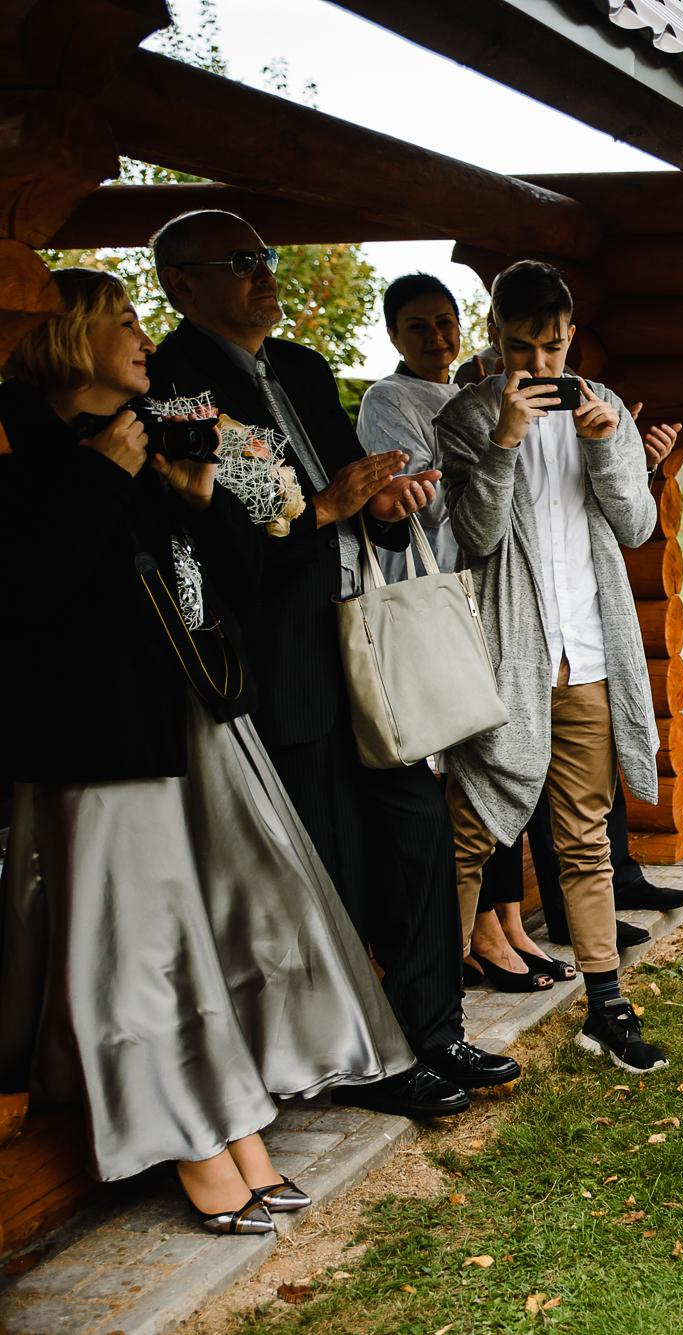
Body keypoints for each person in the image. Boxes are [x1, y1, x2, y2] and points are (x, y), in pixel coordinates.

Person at [0, 268, 414, 1234]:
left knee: (201, 933)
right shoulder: (23, 446)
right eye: (124, 321)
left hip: (178, 722)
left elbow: (210, 585)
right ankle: (190, 1137)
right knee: (136, 951)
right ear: (67, 340)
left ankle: (234, 1123)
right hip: (91, 742)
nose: (145, 335)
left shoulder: (138, 445)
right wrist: (109, 473)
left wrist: (187, 497)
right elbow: (31, 597)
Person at [145, 210, 506, 1117]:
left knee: (419, 826)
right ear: (180, 284)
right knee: (332, 858)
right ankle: (369, 1057)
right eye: (238, 261)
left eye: (263, 255)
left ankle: (435, 1027)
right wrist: (323, 511)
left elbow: (356, 485)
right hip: (274, 650)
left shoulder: (302, 368)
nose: (263, 273)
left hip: (363, 633)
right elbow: (200, 540)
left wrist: (388, 502)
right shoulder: (172, 385)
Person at [433, 260, 666, 1074]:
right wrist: (504, 440)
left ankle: (607, 1004)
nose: (541, 367)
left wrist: (605, 448)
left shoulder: (601, 409)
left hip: (591, 655)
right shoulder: (467, 415)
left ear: (572, 336)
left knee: (585, 837)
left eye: (555, 346)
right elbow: (475, 537)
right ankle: (438, 1022)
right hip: (509, 658)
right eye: (525, 348)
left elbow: (636, 525)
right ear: (496, 337)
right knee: (469, 833)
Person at [356, 272, 462, 582]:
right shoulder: (387, 397)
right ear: (393, 335)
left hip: (476, 577)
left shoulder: (467, 394)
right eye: (417, 327)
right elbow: (430, 506)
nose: (435, 335)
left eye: (444, 322)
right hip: (423, 579)